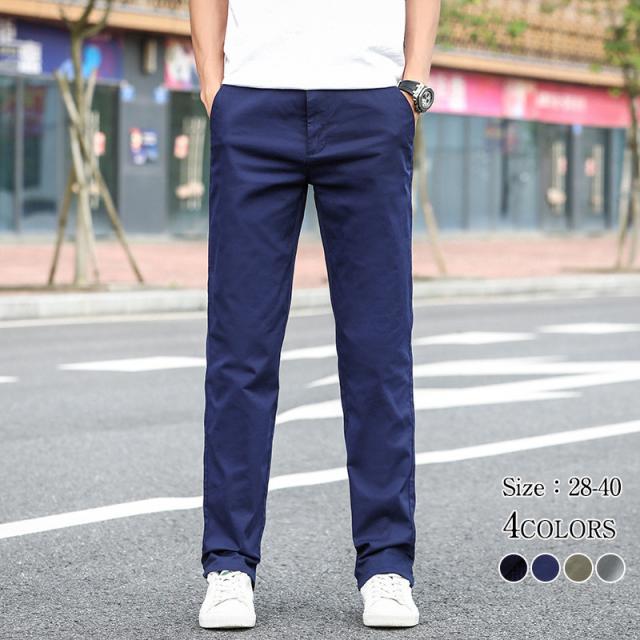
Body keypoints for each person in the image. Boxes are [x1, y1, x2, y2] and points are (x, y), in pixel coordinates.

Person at [188, 0, 440, 629]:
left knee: (378, 349)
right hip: (253, 101)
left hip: (369, 103)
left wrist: (412, 83)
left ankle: (387, 566)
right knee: (240, 349)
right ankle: (229, 566)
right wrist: (215, 86)